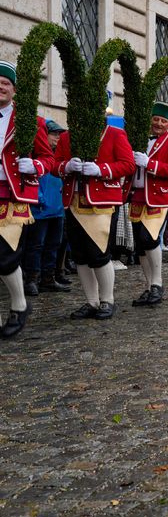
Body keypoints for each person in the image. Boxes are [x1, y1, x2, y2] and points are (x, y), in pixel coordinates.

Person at [54, 114, 134, 321]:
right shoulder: (66, 137)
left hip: (102, 202)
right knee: (80, 255)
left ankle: (107, 299)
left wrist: (101, 170)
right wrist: (66, 166)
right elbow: (54, 165)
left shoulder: (115, 134)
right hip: (73, 201)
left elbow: (127, 165)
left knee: (99, 254)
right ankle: (91, 301)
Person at [0, 61, 56, 338]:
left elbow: (49, 159)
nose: (0, 86)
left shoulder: (31, 121)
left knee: (5, 254)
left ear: (14, 90)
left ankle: (20, 305)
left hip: (12, 195)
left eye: (5, 82)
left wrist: (33, 166)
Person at [128, 101, 168, 307]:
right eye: (156, 119)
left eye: (163, 121)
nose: (159, 124)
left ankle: (158, 283)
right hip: (137, 196)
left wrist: (149, 164)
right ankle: (148, 285)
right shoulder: (139, 139)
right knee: (140, 245)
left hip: (159, 197)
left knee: (149, 238)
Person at [22, 120, 69, 297]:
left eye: (59, 134)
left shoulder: (59, 154)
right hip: (39, 208)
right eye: (54, 133)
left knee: (53, 245)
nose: (58, 137)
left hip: (57, 208)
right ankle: (32, 279)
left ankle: (48, 277)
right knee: (36, 245)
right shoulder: (35, 156)